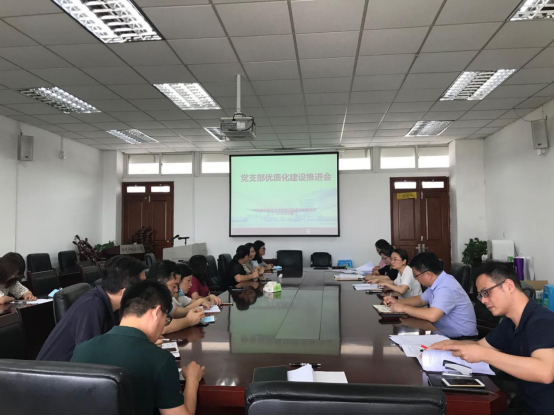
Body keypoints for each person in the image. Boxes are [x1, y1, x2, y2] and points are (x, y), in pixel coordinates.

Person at [430, 262, 554, 415]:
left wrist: (484, 355)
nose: (483, 301)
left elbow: (545, 372)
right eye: (481, 296)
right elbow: (481, 346)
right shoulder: (510, 323)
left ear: (508, 286)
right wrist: (447, 345)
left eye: (486, 292)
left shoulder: (541, 322)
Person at [71, 280, 205, 416]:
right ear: (156, 312)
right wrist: (192, 380)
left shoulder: (81, 349)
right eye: (166, 320)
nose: (163, 326)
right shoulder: (160, 360)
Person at [37, 256, 146, 362]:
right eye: (143, 287)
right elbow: (89, 359)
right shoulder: (92, 306)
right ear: (125, 292)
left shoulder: (111, 303)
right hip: (54, 372)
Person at [384, 252, 477, 339]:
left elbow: (433, 316)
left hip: (461, 339)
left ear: (428, 274)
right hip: (443, 332)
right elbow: (421, 300)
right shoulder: (438, 282)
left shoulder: (446, 286)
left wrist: (403, 308)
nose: (416, 279)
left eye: (416, 276)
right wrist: (397, 302)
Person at [147, 260, 205, 335]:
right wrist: (188, 320)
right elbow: (161, 328)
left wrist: (192, 311)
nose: (176, 290)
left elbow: (173, 312)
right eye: (174, 286)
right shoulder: (149, 298)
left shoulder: (164, 298)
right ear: (160, 283)